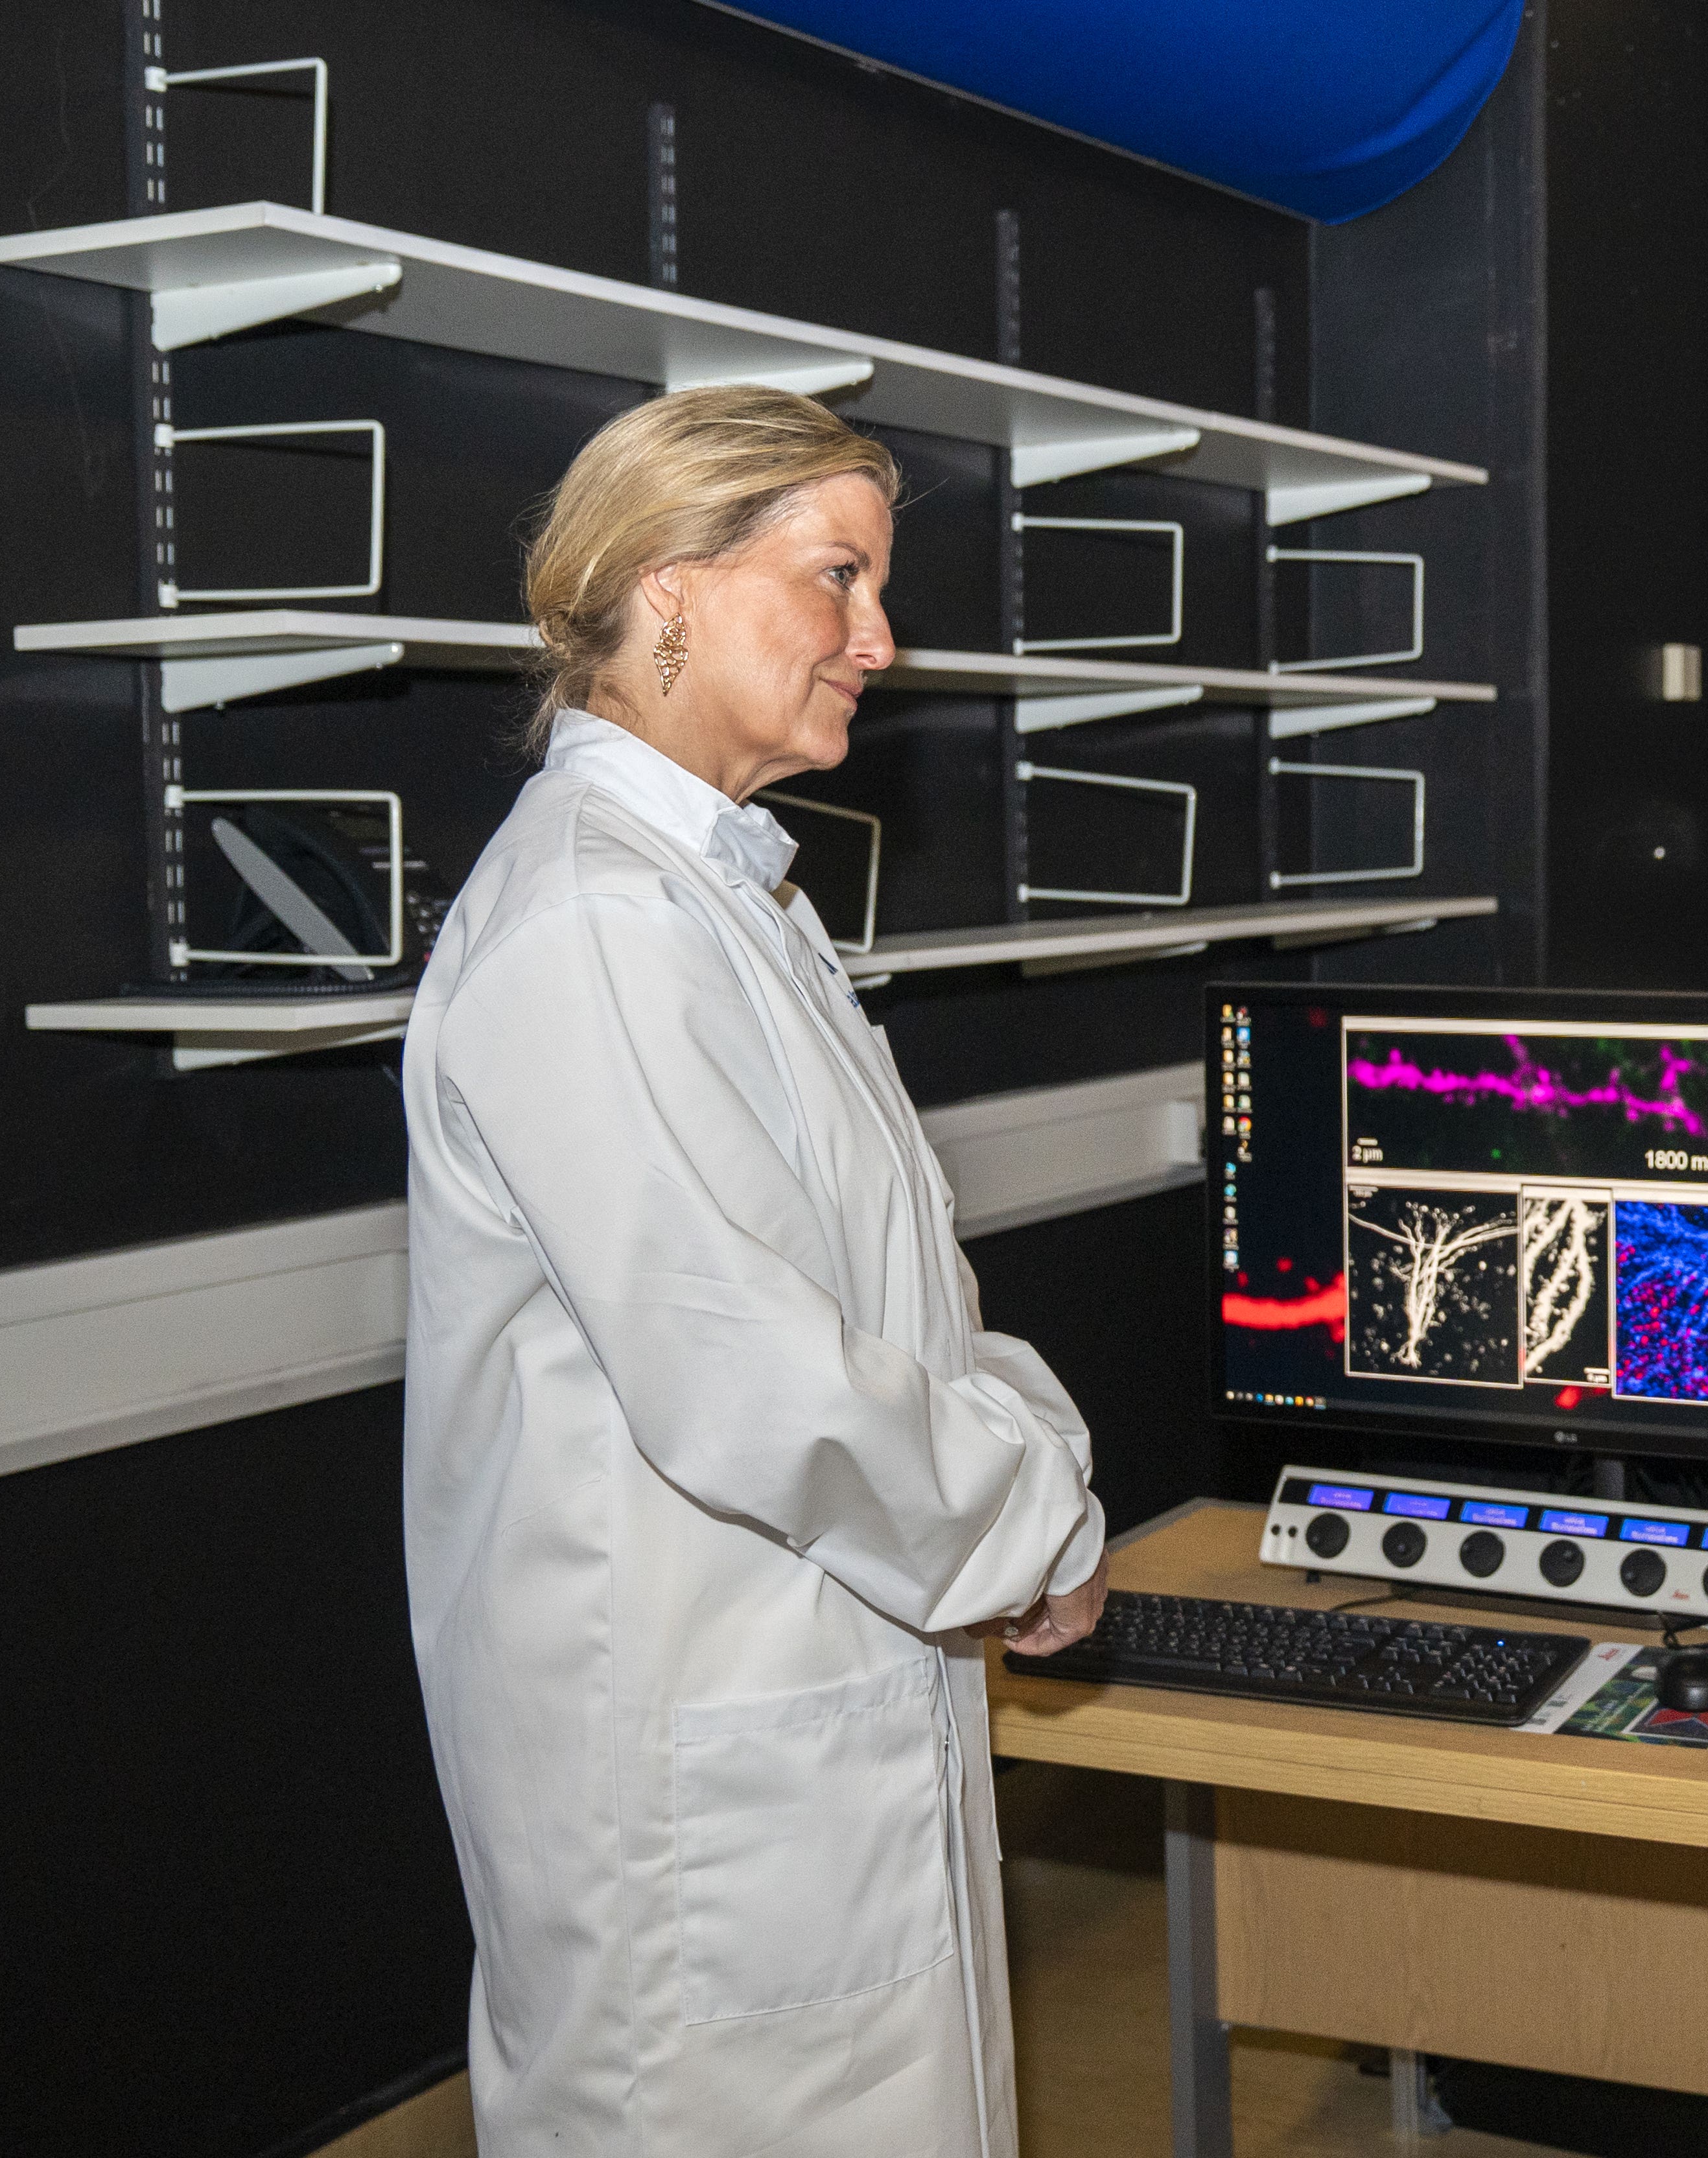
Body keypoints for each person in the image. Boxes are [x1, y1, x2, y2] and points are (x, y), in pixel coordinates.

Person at [403, 386, 1109, 2157]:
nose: (881, 636)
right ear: (667, 585)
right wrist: (1031, 1521)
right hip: (694, 1774)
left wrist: (1026, 1469)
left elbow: (891, 1296)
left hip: (816, 1697)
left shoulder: (732, 901)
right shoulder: (593, 919)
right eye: (836, 576)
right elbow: (750, 1372)